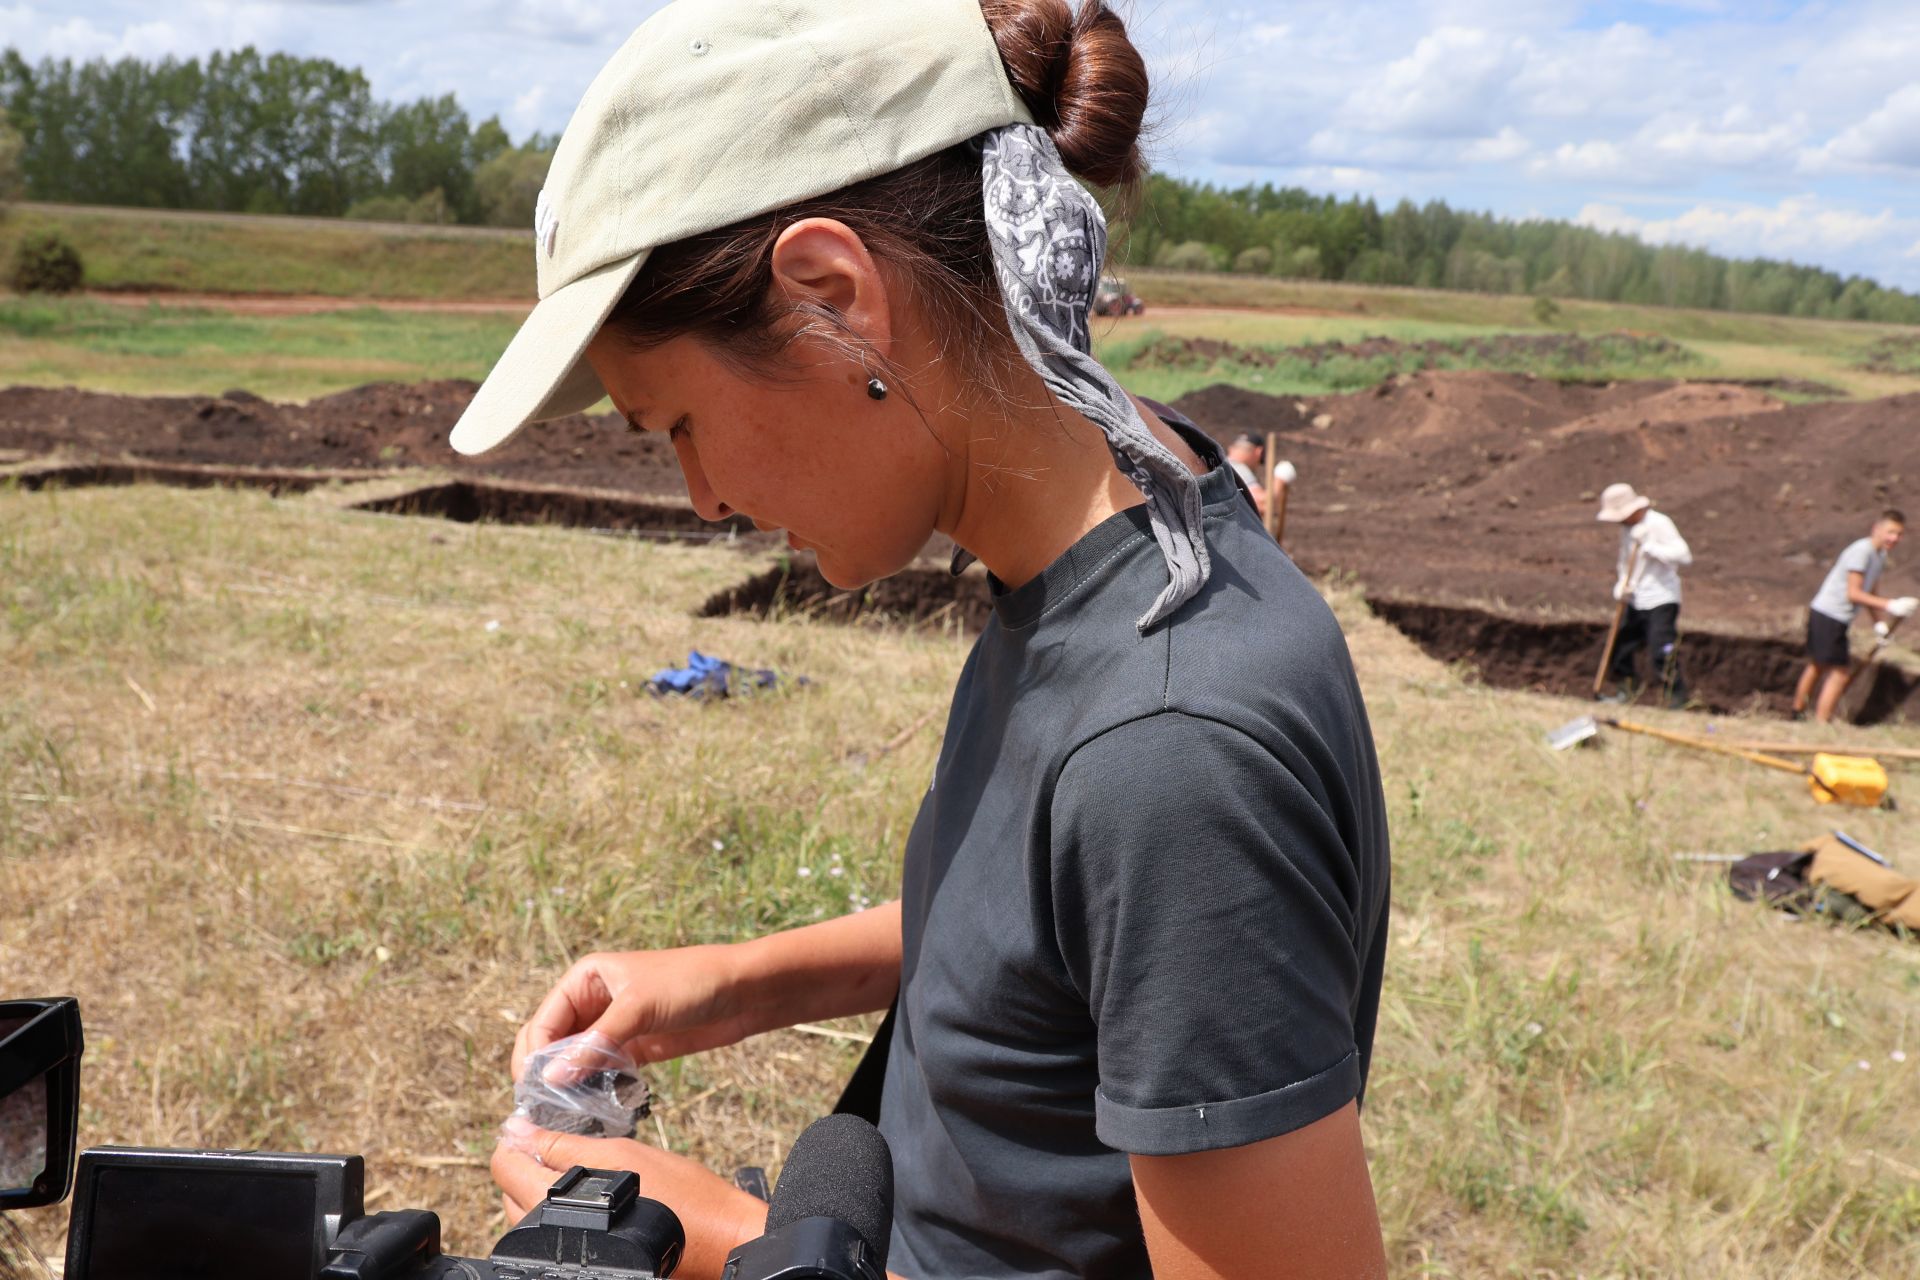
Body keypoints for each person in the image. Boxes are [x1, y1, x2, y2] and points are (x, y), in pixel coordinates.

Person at [463, 2, 1391, 1277]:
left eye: (674, 422)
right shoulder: (1117, 548)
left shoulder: (1174, 747)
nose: (703, 499)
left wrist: (725, 1238)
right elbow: (1060, 926)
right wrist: (742, 981)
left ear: (832, 296)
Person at [1792, 510, 1916, 723]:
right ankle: (1821, 723)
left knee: (1818, 665)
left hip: (1836, 617)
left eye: (1899, 534)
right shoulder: (1861, 551)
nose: (1894, 539)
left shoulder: (1880, 556)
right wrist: (1891, 605)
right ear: (1876, 529)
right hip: (1828, 614)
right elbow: (1854, 593)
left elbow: (1870, 591)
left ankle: (1798, 713)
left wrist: (1879, 624)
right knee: (1839, 672)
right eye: (1890, 532)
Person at [1594, 482, 1692, 707]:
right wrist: (1621, 586)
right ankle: (1626, 692)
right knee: (1620, 647)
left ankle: (1676, 699)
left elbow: (1684, 555)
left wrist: (1652, 547)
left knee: (1661, 650)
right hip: (1637, 598)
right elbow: (1625, 563)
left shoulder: (1658, 523)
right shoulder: (1627, 530)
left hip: (1662, 599)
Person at [1225, 432, 1269, 516]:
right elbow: (1261, 504)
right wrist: (1280, 479)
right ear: (1258, 452)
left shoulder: (1216, 464)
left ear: (1231, 449)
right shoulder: (1239, 469)